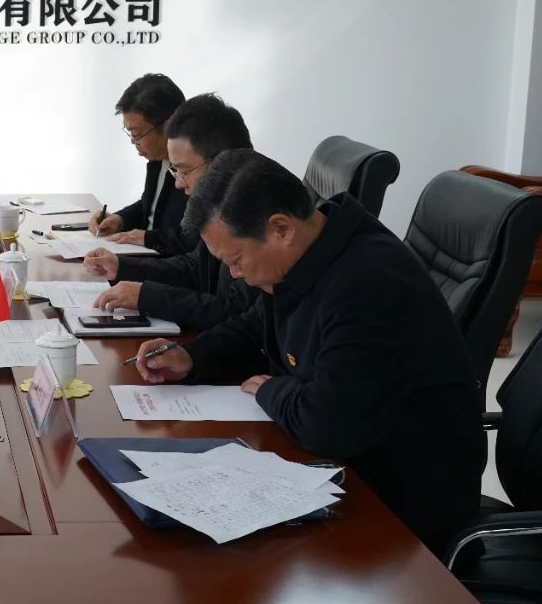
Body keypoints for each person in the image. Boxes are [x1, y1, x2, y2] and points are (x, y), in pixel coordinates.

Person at [128, 149, 483, 552]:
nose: (236, 275)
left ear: (281, 228)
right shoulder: (311, 252)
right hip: (346, 475)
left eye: (237, 260)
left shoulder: (368, 283)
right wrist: (192, 357)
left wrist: (271, 390)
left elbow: (328, 425)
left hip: (402, 518)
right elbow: (256, 327)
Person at [83, 94, 260, 329]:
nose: (178, 184)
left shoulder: (256, 213)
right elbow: (194, 268)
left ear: (221, 162)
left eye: (184, 171)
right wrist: (122, 267)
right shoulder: (218, 206)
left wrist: (147, 297)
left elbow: (234, 312)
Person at [88, 73, 192, 255]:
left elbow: (191, 240)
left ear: (168, 126)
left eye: (137, 134)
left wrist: (147, 238)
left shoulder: (196, 169)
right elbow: (151, 205)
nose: (133, 142)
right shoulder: (157, 157)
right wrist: (119, 219)